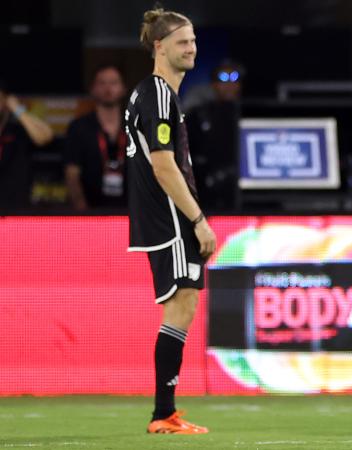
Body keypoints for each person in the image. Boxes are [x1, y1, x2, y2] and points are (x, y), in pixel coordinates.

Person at [125, 7, 216, 434]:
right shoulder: (158, 94)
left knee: (183, 304)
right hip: (170, 218)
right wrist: (197, 219)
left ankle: (166, 411)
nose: (191, 47)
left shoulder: (158, 95)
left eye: (193, 40)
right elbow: (163, 166)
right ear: (159, 47)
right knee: (182, 304)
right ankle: (164, 413)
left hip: (162, 218)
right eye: (182, 41)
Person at [64, 65, 128, 210]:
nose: (108, 89)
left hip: (132, 212)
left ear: (123, 89)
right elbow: (72, 174)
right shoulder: (79, 127)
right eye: (102, 83)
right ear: (92, 89)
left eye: (113, 83)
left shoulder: (137, 125)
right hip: (91, 212)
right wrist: (83, 212)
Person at [186, 60, 245, 209]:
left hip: (241, 189)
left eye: (234, 79)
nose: (229, 84)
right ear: (213, 84)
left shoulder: (250, 115)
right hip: (208, 190)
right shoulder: (198, 115)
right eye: (223, 79)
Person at [0, 79, 54, 212]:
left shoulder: (19, 127)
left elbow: (45, 137)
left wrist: (18, 110)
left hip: (16, 209)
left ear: (6, 101)